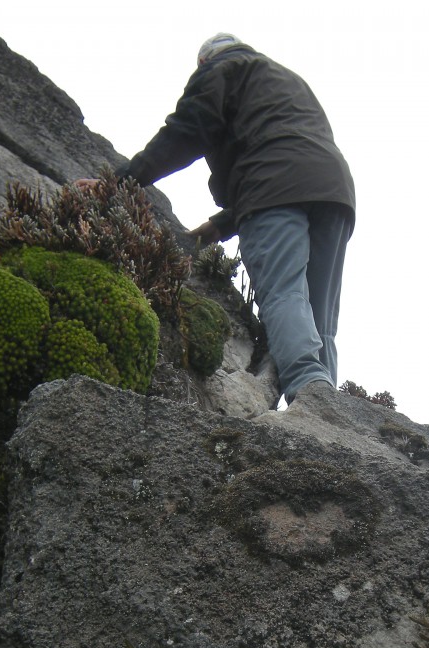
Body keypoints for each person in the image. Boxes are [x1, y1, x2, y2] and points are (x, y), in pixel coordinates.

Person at [78, 33, 355, 406]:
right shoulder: (287, 80)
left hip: (272, 187)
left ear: (203, 63)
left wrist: (121, 181)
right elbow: (281, 146)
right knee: (321, 314)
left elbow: (189, 130)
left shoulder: (222, 70)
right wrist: (220, 226)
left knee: (284, 292)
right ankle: (331, 406)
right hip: (333, 191)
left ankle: (310, 390)